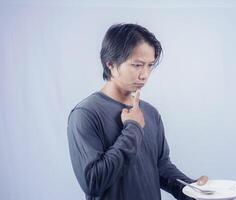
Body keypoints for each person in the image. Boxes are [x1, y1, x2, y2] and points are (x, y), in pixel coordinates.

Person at [67, 23, 208, 200]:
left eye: (150, 65)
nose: (145, 75)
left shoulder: (150, 112)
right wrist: (133, 128)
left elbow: (161, 167)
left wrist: (193, 190)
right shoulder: (86, 113)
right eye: (137, 65)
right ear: (110, 63)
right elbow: (93, 182)